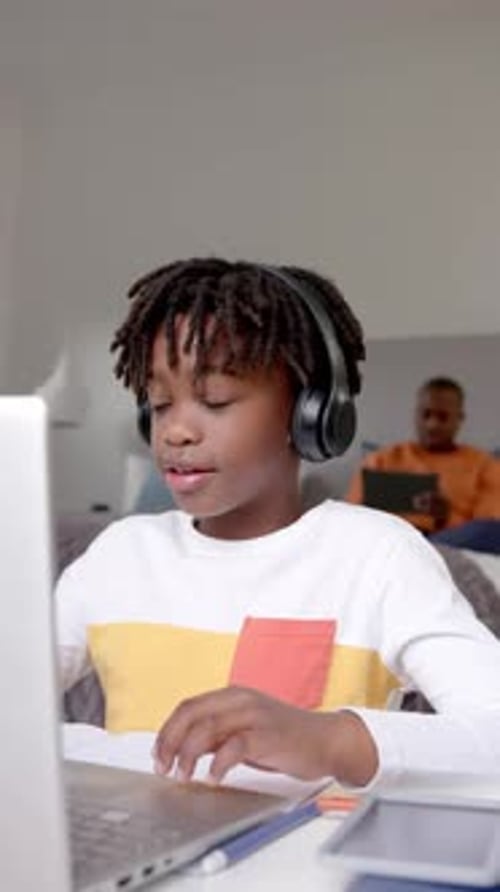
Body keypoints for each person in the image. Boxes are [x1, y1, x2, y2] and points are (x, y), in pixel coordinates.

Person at [56, 259, 500, 789]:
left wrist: (328, 739)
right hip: (137, 853)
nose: (174, 430)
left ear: (311, 413)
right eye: (159, 403)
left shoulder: (378, 557)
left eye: (215, 399)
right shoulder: (118, 554)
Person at [345, 377, 500, 552]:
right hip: (388, 539)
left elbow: (487, 527)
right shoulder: (380, 460)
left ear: (459, 418)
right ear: (416, 414)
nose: (432, 425)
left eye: (443, 417)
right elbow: (352, 516)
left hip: (445, 543)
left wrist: (445, 516)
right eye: (426, 414)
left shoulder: (485, 465)